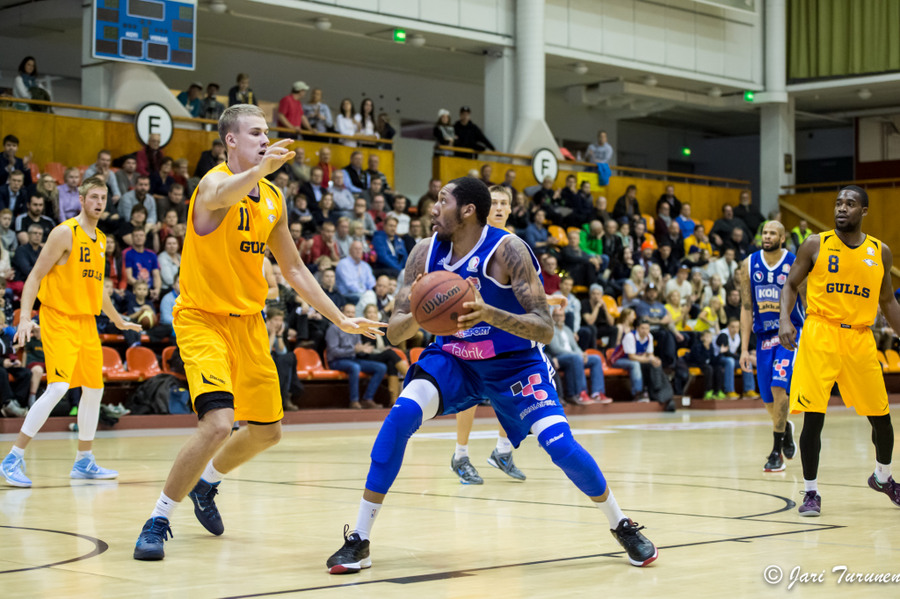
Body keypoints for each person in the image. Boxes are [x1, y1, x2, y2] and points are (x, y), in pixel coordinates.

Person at [325, 177, 658, 575]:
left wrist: (490, 314)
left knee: (560, 446)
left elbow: (545, 328)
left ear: (467, 210)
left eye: (442, 201)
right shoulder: (422, 253)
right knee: (398, 420)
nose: (433, 207)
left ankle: (621, 524)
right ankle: (360, 539)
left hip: (515, 364)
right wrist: (420, 307)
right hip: (455, 361)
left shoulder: (509, 250)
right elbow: (395, 335)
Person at [131, 104, 384, 560]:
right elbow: (224, 194)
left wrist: (339, 317)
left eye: (267, 132)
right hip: (201, 318)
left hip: (248, 324)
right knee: (218, 425)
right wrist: (260, 171)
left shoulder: (272, 198)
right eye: (254, 133)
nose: (264, 139)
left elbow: (294, 268)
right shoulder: (211, 183)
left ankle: (206, 485)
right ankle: (157, 518)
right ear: (230, 140)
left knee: (268, 432)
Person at [0, 176, 141, 487]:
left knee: (94, 389)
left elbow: (98, 290)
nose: (99, 203)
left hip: (85, 321)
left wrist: (118, 320)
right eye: (93, 197)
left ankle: (84, 461)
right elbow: (35, 276)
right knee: (60, 388)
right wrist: (25, 317)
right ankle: (13, 457)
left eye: (103, 197)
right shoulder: (65, 233)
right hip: (58, 317)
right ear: (81, 199)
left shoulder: (102, 239)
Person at [778, 185, 900, 516]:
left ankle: (883, 477)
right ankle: (811, 492)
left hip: (860, 338)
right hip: (820, 334)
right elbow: (790, 285)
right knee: (814, 418)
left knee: (882, 419)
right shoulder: (816, 244)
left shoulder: (880, 251)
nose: (841, 208)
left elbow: (888, 301)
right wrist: (785, 320)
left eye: (850, 203)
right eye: (838, 203)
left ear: (864, 211)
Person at [738, 221, 805, 473]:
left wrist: (809, 333)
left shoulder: (795, 262)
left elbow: (807, 300)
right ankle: (784, 427)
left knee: (779, 389)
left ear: (782, 237)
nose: (767, 236)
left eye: (772, 233)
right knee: (768, 399)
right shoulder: (748, 264)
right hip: (763, 338)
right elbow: (746, 308)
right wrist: (745, 349)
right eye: (764, 232)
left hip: (789, 334)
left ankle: (776, 452)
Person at [326, 303, 388, 409]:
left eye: (353, 312)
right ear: (342, 313)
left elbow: (359, 348)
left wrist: (364, 350)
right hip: (336, 361)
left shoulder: (355, 328)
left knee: (381, 367)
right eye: (348, 312)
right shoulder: (333, 328)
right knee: (355, 367)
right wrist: (354, 349)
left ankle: (367, 399)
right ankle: (354, 401)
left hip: (353, 359)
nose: (350, 315)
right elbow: (333, 352)